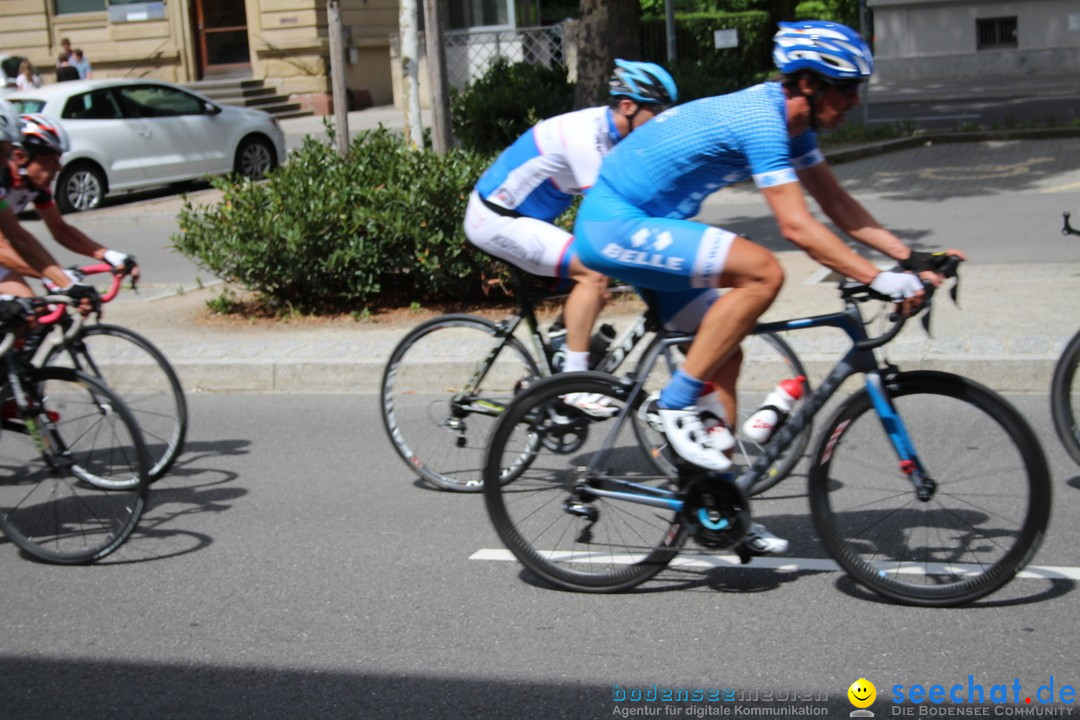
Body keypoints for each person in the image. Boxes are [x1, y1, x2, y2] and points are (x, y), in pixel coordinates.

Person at [572, 20, 964, 555]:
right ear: (808, 83)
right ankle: (674, 405)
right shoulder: (763, 120)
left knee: (724, 355)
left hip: (648, 223)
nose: (854, 100)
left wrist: (908, 257)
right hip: (613, 224)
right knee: (763, 271)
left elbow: (837, 205)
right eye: (846, 88)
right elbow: (797, 227)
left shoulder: (796, 127)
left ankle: (717, 505)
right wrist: (879, 279)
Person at [465, 59, 676, 410]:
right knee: (592, 274)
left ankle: (562, 348)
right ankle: (574, 385)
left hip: (525, 217)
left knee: (596, 272)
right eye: (658, 112)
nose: (663, 121)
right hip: (495, 218)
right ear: (628, 106)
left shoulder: (616, 132)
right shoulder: (585, 139)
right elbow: (612, 216)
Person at [0, 114, 136, 304]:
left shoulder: (35, 187)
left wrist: (108, 255)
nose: (58, 168)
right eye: (49, 160)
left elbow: (60, 229)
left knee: (30, 312)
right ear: (21, 157)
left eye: (58, 160)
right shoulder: (3, 179)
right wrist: (58, 277)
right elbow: (3, 248)